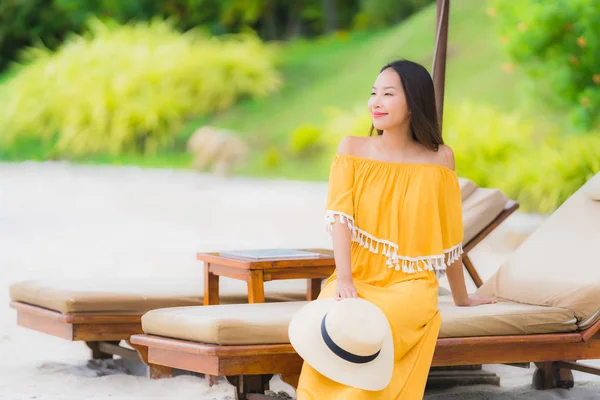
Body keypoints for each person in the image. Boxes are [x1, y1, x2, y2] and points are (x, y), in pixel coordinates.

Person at [294, 59, 497, 399]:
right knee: (335, 322)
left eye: (388, 94)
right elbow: (340, 220)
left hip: (410, 283)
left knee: (379, 326)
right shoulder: (352, 149)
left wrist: (462, 299)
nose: (376, 102)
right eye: (374, 93)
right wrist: (343, 279)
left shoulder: (440, 159)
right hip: (356, 274)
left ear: (414, 103)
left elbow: (450, 240)